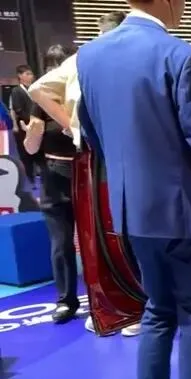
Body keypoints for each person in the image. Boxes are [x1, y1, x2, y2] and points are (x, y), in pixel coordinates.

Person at [76, 0, 191, 379]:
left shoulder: (91, 55)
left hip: (131, 212)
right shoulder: (180, 54)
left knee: (158, 309)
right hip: (184, 211)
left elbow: (91, 133)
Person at [28, 10, 142, 337]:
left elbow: (38, 89)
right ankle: (118, 307)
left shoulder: (87, 59)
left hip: (91, 160)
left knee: (103, 237)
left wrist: (74, 129)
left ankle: (115, 307)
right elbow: (38, 91)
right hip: (102, 159)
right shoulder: (108, 60)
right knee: (109, 235)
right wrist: (74, 128)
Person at [21, 45, 81, 322]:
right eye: (51, 68)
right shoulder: (40, 100)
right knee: (61, 242)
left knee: (99, 241)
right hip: (55, 176)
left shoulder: (84, 95)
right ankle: (66, 300)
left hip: (88, 174)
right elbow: (31, 148)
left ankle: (108, 299)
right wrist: (33, 134)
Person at [9, 65, 39, 185]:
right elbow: (17, 109)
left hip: (35, 127)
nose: (30, 76)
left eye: (31, 74)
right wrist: (31, 119)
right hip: (24, 127)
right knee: (25, 154)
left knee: (37, 152)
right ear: (20, 76)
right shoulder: (17, 91)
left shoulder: (34, 89)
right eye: (27, 74)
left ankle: (37, 176)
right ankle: (29, 179)